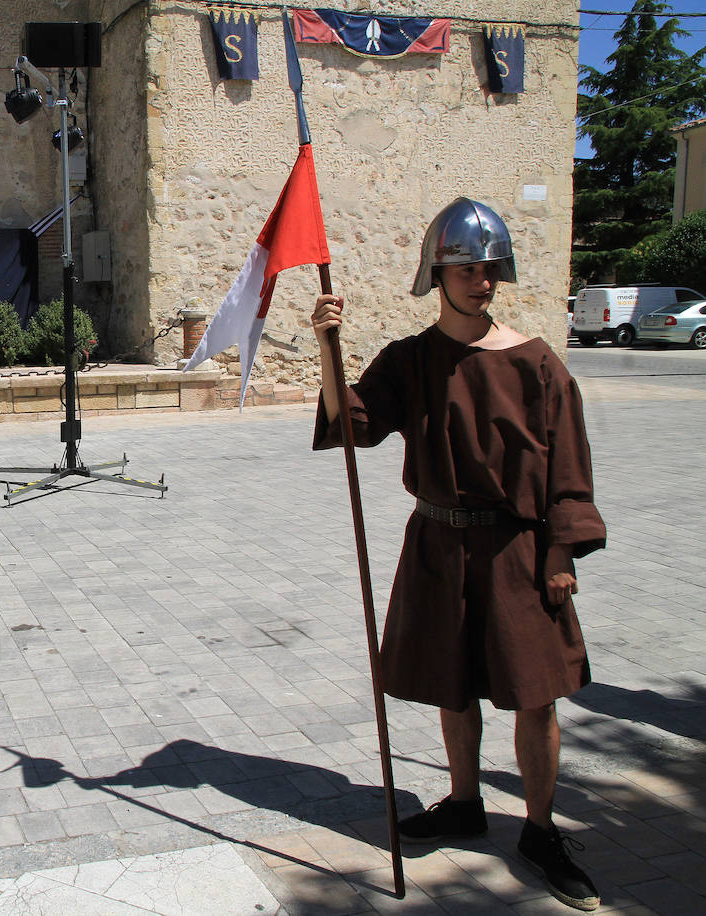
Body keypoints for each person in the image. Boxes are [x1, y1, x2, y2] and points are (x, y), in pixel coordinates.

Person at [311, 198, 604, 912]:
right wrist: (326, 346)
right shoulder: (410, 361)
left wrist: (561, 553)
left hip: (516, 548)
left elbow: (569, 467)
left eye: (490, 269)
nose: (483, 281)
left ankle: (540, 830)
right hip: (438, 543)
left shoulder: (537, 363)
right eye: (468, 269)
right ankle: (465, 802)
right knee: (452, 683)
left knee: (535, 692)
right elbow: (354, 424)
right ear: (437, 275)